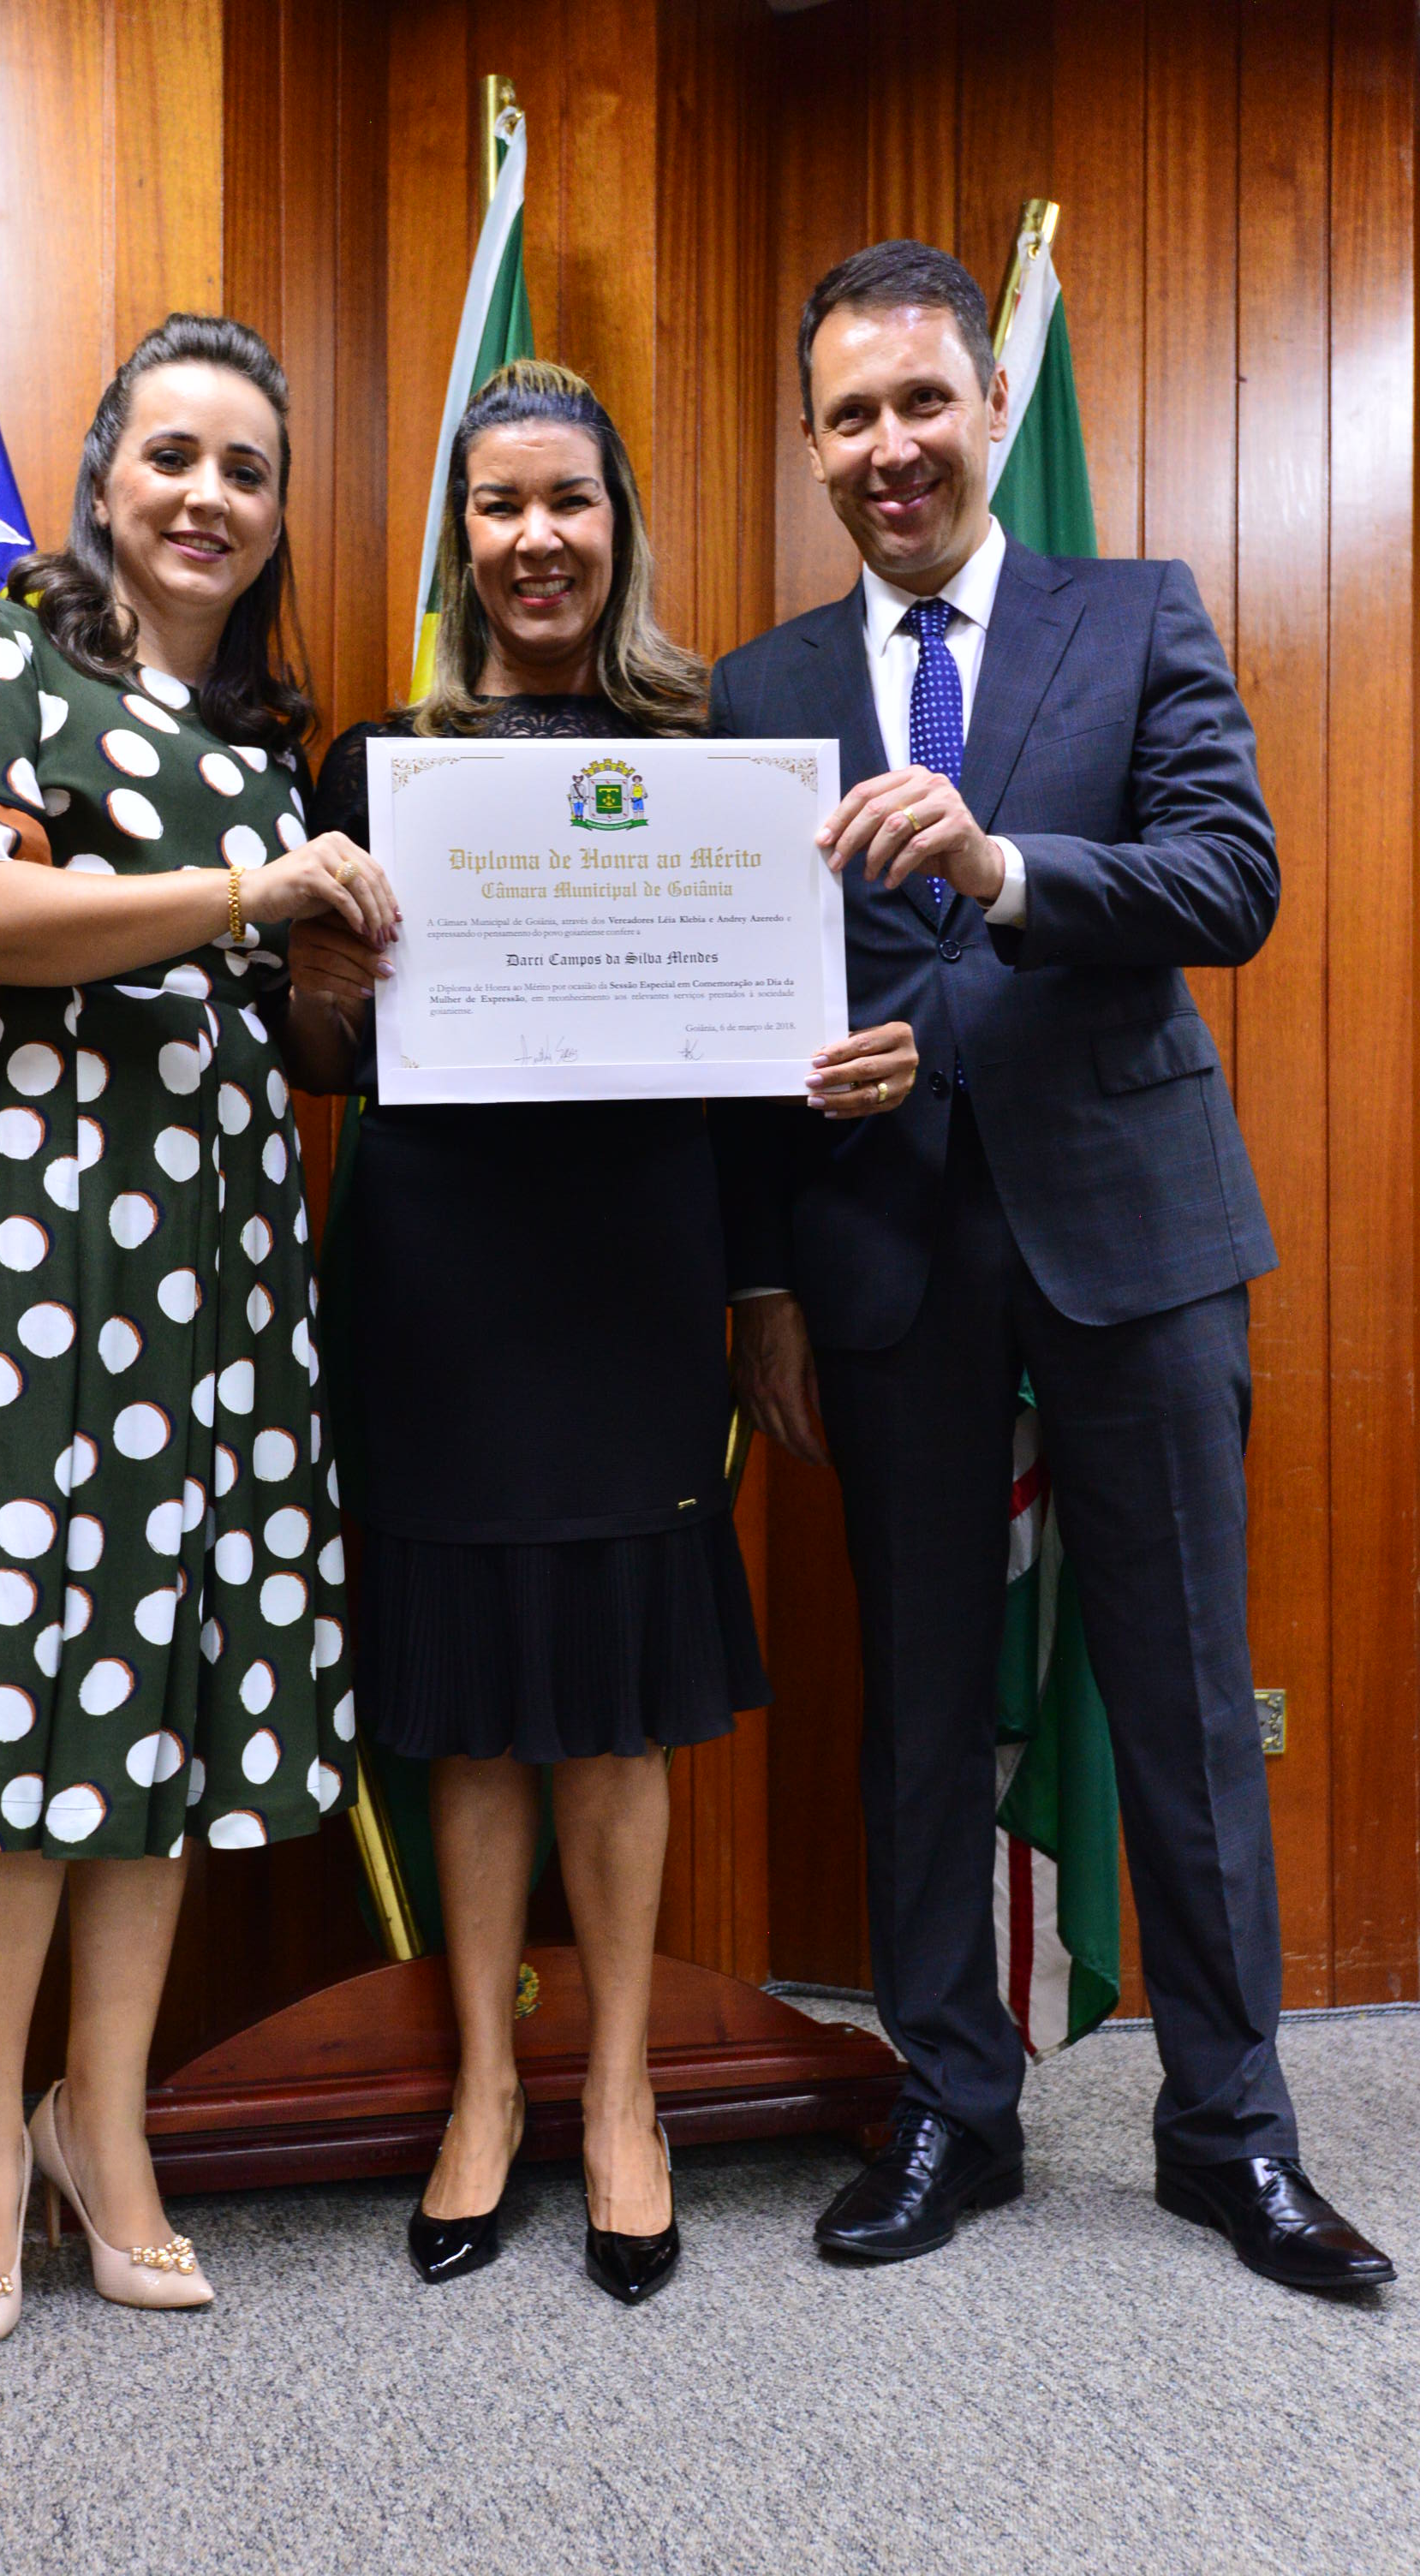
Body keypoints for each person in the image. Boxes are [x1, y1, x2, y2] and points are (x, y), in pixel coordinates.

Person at [713, 241, 1393, 2293]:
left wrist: (999, 868)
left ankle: (1229, 2131)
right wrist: (759, 1277)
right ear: (810, 442)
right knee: (916, 1700)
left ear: (990, 409)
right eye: (849, 415)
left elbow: (1229, 878)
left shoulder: (1136, 612)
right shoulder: (756, 691)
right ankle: (950, 2104)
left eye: (922, 402)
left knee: (1179, 1690)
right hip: (882, 1249)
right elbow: (742, 1008)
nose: (890, 446)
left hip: (1132, 1230)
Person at [301, 359, 919, 2305]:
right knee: (474, 1692)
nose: (535, 538)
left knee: (621, 1695)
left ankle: (626, 2091)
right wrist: (332, 982)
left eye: (567, 500)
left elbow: (754, 1080)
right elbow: (322, 1053)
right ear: (460, 534)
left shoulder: (714, 749)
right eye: (498, 505)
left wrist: (763, 1287)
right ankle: (486, 2087)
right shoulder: (377, 763)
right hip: (438, 1278)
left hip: (637, 1273)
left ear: (615, 523)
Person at [0, 312, 388, 2350]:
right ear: (100, 480)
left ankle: (107, 2116)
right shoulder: (2, 659)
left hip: (217, 1273)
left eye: (246, 469)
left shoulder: (261, 747)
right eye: (172, 454)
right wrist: (251, 899)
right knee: (15, 1686)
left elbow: (279, 1025)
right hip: (15, 1253)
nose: (206, 496)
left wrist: (333, 973)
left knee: (161, 1686)